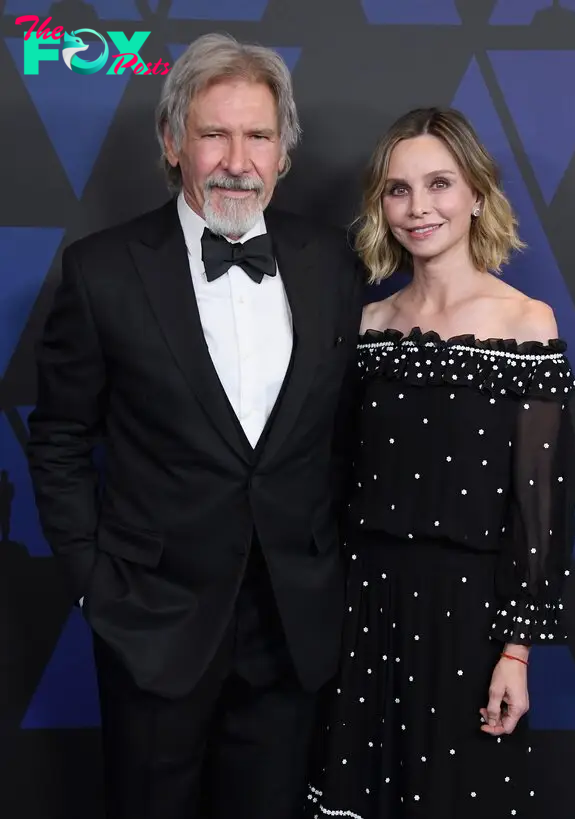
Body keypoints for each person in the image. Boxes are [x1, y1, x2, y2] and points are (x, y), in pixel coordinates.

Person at [26, 33, 363, 819]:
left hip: (292, 627)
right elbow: (61, 438)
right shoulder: (102, 269)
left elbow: (349, 433)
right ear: (173, 143)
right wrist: (93, 587)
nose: (237, 159)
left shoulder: (336, 264)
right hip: (152, 623)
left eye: (258, 135)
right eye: (214, 133)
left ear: (284, 153)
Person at [308, 107, 575, 818]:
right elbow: (334, 478)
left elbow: (540, 508)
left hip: (470, 612)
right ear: (380, 204)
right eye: (398, 189)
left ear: (476, 193)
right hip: (363, 606)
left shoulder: (528, 322)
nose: (419, 207)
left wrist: (516, 651)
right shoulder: (367, 324)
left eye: (439, 183)